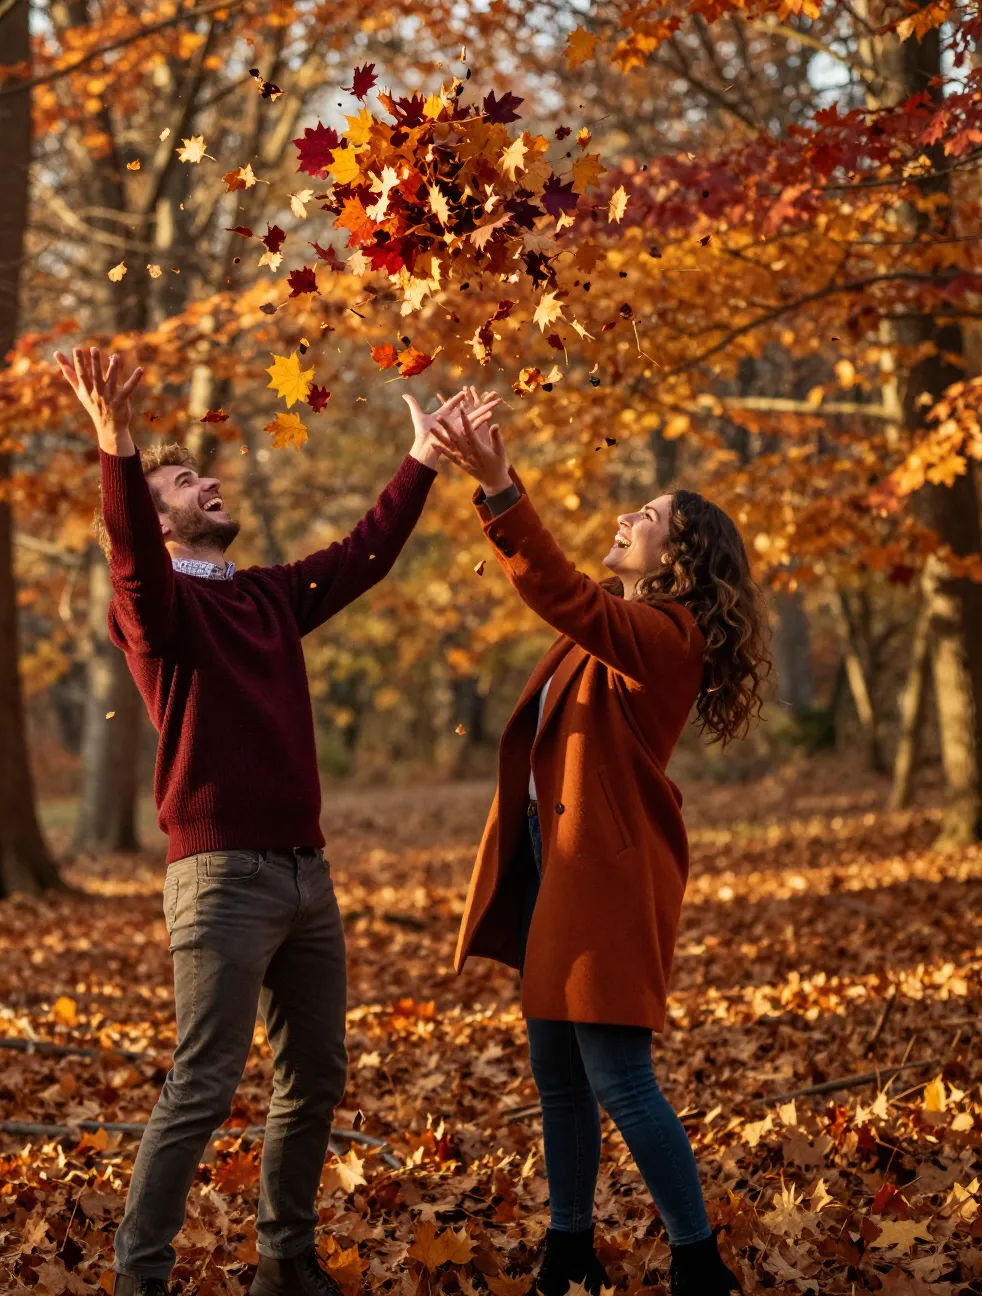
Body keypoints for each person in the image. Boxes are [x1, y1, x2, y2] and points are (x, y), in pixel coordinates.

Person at [54, 347, 499, 1296]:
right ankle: (141, 1275)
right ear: (162, 514)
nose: (208, 479)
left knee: (314, 1079)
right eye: (186, 480)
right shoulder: (154, 610)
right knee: (204, 1084)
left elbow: (362, 557)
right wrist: (118, 449)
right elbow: (131, 553)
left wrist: (420, 459)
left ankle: (284, 1261)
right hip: (219, 879)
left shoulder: (262, 594)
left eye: (200, 472)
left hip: (307, 876)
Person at [431, 396, 767, 1296]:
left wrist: (501, 488)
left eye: (648, 519)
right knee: (557, 1074)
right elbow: (572, 609)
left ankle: (700, 1263)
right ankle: (569, 1250)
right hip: (558, 872)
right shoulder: (613, 636)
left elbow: (559, 590)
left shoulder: (665, 636)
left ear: (680, 558)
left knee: (619, 1077)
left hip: (605, 879)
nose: (627, 518)